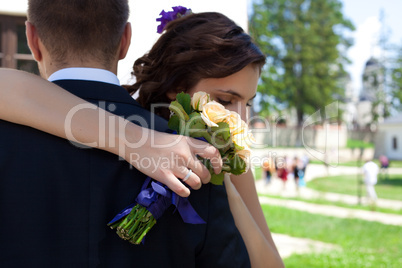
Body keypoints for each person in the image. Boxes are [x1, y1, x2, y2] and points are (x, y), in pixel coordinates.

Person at [0, 7, 284, 267]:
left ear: (31, 39)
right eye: (224, 100)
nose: (240, 121)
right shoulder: (168, 150)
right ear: (126, 39)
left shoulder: (213, 167)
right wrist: (138, 141)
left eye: (247, 104)